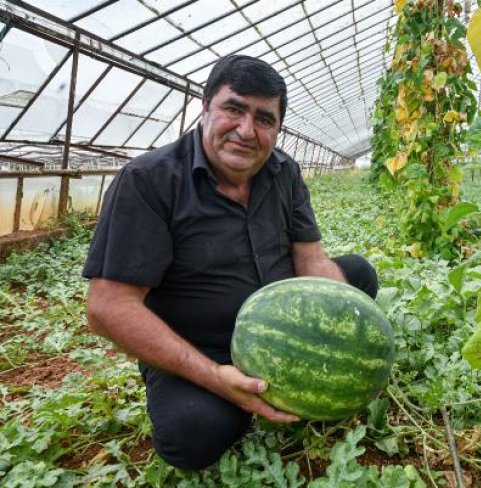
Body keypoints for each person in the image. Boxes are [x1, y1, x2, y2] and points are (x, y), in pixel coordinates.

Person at [83, 55, 378, 470]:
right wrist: (215, 378)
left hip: (282, 327)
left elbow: (311, 260)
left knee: (358, 275)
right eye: (234, 109)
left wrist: (344, 335)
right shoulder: (148, 181)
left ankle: (263, 385)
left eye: (263, 118)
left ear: (277, 127)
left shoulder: (284, 171)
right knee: (191, 435)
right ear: (205, 107)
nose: (246, 130)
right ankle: (230, 392)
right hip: (199, 345)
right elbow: (107, 307)